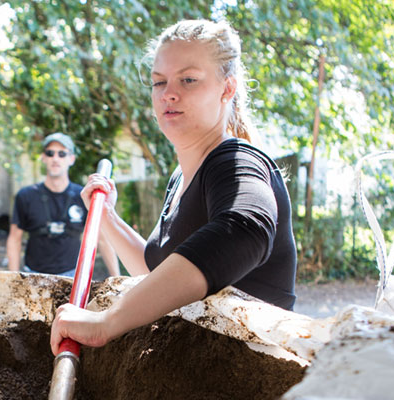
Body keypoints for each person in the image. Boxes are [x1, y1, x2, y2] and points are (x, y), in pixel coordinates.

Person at [50, 19, 296, 354]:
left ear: (227, 88)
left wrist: (107, 322)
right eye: (158, 82)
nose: (168, 93)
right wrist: (107, 217)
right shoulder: (180, 179)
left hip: (253, 375)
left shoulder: (236, 162)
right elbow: (160, 278)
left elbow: (245, 230)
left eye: (188, 79)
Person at [6, 133, 120, 277]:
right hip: (33, 277)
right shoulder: (26, 196)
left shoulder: (84, 195)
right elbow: (14, 239)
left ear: (71, 159)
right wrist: (13, 280)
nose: (55, 158)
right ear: (43, 157)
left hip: (71, 277)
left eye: (61, 154)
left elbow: (103, 239)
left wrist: (117, 279)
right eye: (50, 153)